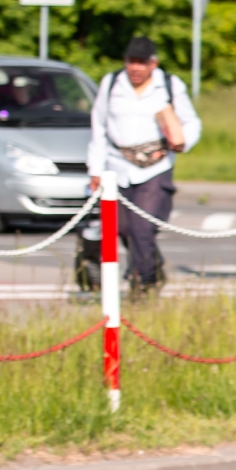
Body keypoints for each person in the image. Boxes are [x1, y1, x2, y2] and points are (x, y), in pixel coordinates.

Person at [86, 36, 200, 291]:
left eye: (141, 63)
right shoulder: (112, 83)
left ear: (153, 64)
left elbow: (191, 123)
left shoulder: (169, 85)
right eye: (131, 62)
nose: (135, 68)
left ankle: (144, 282)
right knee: (123, 228)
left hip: (154, 167)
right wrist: (95, 169)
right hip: (118, 165)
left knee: (142, 226)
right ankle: (152, 265)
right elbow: (99, 127)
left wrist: (181, 142)